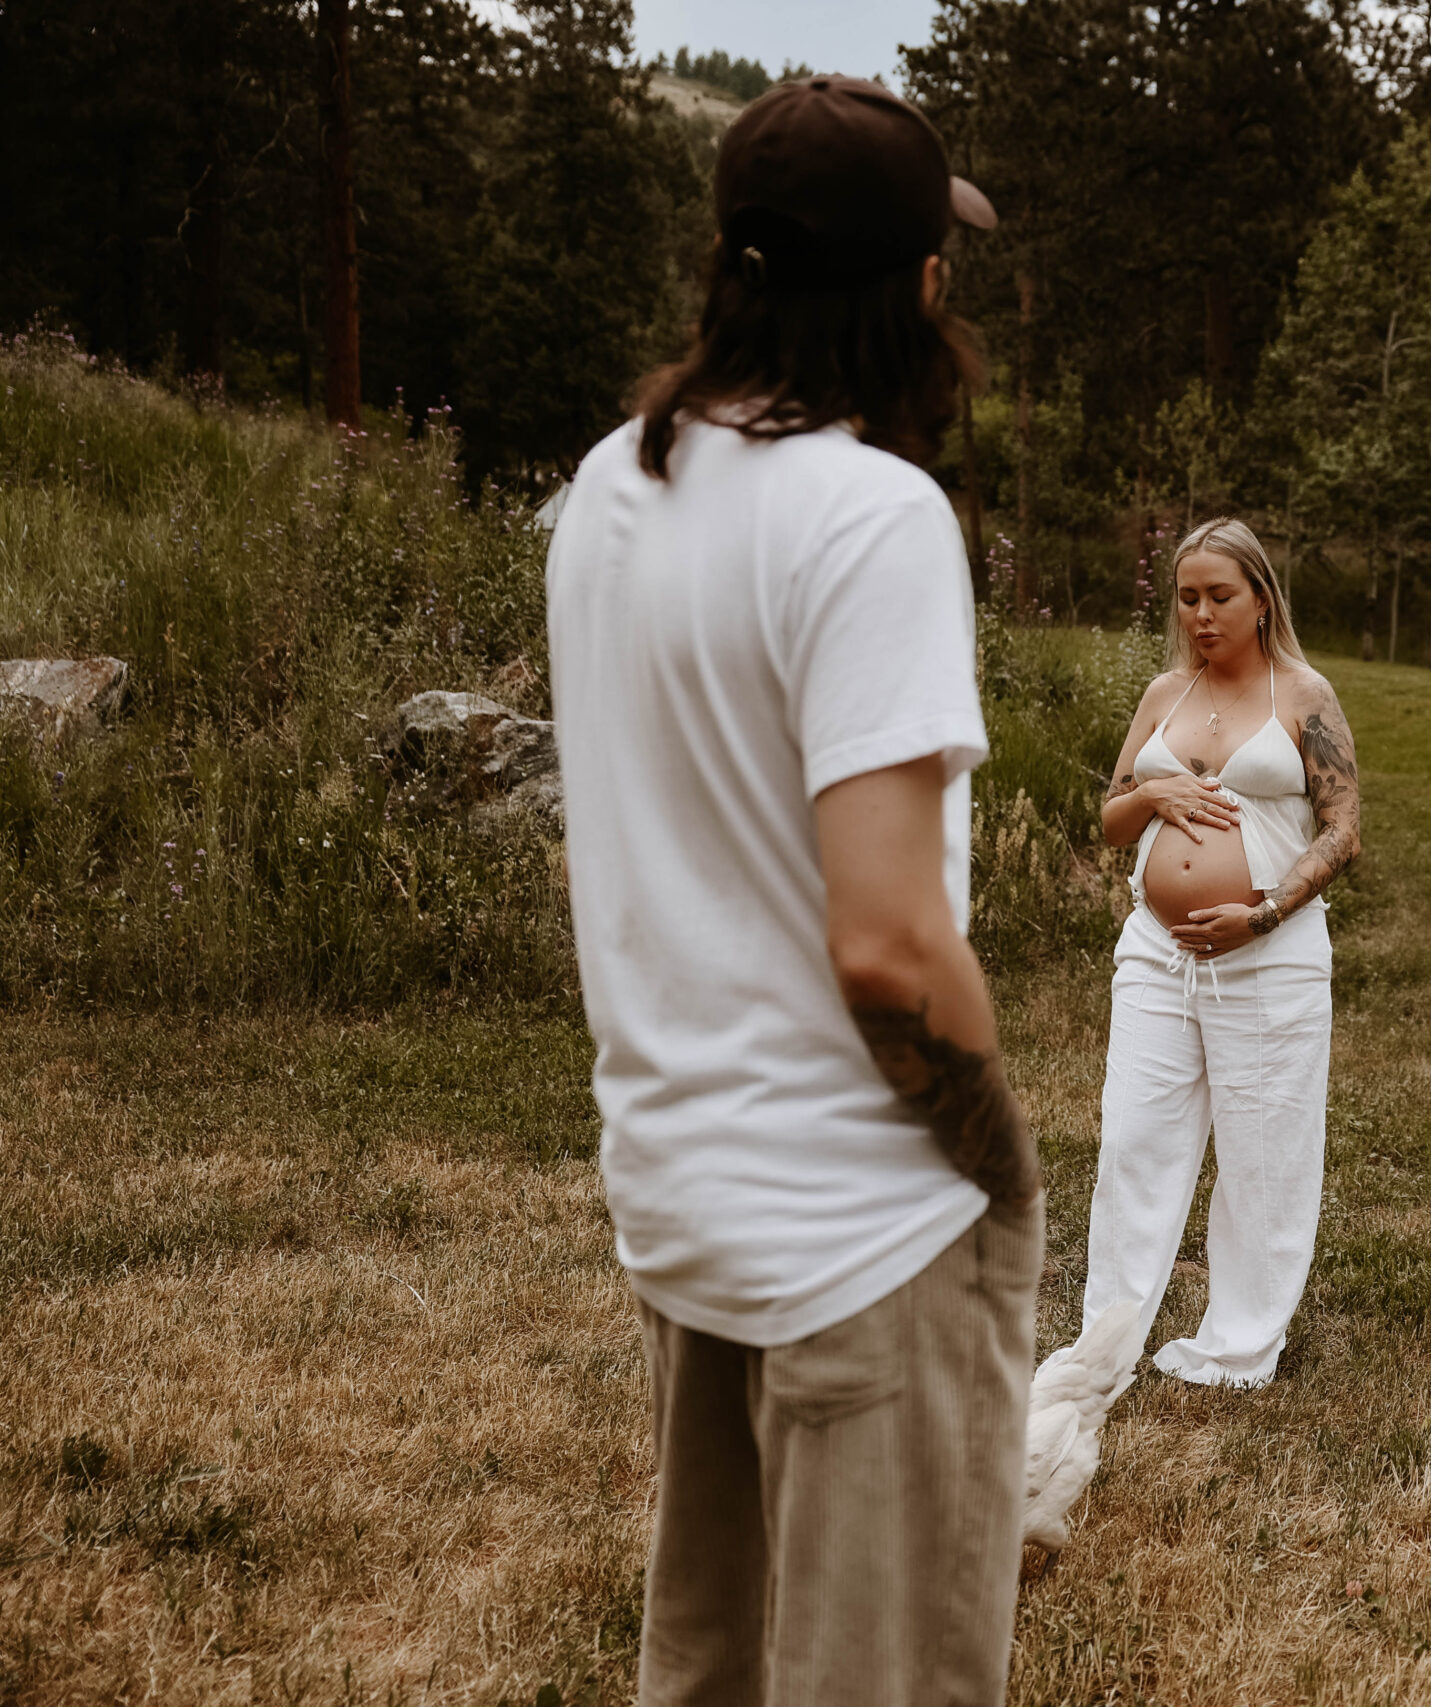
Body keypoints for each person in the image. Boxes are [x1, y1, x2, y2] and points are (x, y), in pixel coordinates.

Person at [545, 76, 1040, 1707]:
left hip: (681, 1200)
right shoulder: (875, 517)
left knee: (715, 1668)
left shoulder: (613, 486)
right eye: (934, 258)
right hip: (862, 1227)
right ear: (909, 288)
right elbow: (891, 941)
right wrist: (998, 1161)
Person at [1050, 518, 1361, 1392]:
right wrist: (1152, 788)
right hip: (1156, 954)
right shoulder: (1164, 694)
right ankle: (1105, 1345)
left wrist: (1261, 915)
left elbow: (1344, 831)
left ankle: (1237, 1349)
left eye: (1220, 595)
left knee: (1265, 1157)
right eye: (1187, 596)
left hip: (1268, 958)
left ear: (1262, 598)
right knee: (1135, 1144)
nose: (1201, 613)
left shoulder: (1304, 695)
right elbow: (1112, 822)